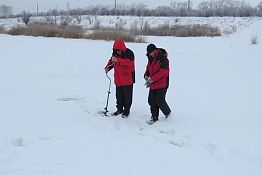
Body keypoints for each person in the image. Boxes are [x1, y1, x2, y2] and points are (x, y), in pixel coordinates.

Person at [105, 39, 135, 118]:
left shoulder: (129, 53)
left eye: (118, 51)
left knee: (127, 97)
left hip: (128, 79)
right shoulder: (115, 53)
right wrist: (108, 67)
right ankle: (119, 109)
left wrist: (117, 60)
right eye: (116, 51)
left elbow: (129, 63)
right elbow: (112, 61)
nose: (117, 52)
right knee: (119, 96)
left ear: (122, 49)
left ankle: (126, 111)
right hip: (118, 79)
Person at [144, 44, 171, 124]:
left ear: (155, 50)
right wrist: (146, 75)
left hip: (163, 83)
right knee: (151, 100)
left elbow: (163, 72)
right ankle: (154, 117)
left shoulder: (163, 58)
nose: (150, 54)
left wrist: (152, 79)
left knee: (159, 100)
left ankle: (168, 114)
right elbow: (148, 68)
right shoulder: (150, 58)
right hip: (153, 83)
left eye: (151, 53)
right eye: (149, 53)